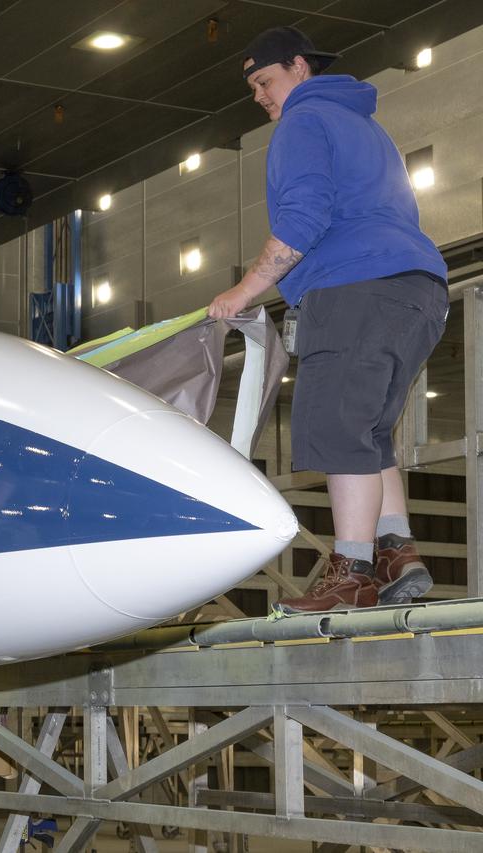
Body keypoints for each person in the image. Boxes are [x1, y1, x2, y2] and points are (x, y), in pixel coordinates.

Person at [207, 26, 448, 615]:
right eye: (253, 88)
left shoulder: (303, 122)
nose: (261, 96)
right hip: (419, 292)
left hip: (354, 289)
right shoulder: (369, 128)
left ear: (298, 66)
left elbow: (305, 215)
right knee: (367, 432)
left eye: (265, 81)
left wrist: (244, 290)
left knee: (339, 430)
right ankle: (395, 548)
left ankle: (351, 573)